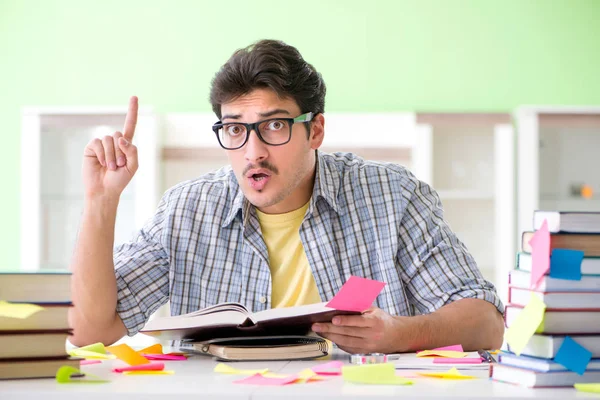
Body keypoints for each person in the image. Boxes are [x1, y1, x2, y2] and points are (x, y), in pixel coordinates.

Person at [69, 39, 504, 353]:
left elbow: (487, 324)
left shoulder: (393, 196)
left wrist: (402, 334)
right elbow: (90, 330)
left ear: (314, 130)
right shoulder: (188, 209)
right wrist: (100, 201)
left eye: (274, 126)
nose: (253, 151)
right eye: (236, 129)